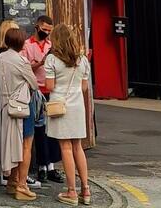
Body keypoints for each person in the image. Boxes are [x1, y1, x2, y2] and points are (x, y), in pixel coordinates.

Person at [44, 24, 92, 206]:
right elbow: (84, 87)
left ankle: (71, 191)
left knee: (65, 148)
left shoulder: (52, 59)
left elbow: (49, 86)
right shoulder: (82, 60)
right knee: (78, 147)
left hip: (60, 106)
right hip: (77, 106)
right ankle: (85, 189)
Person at [0, 27, 39, 202]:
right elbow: (34, 84)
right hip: (22, 106)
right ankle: (22, 185)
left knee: (12, 144)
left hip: (5, 105)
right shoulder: (21, 61)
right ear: (21, 42)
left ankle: (12, 182)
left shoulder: (1, 57)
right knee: (26, 146)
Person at [23, 16, 61, 185]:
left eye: (49, 31)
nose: (46, 33)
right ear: (37, 27)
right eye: (44, 29)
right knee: (39, 130)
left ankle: (51, 166)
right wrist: (40, 63)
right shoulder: (26, 45)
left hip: (51, 91)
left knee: (52, 129)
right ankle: (42, 166)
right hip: (35, 91)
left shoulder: (51, 45)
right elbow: (23, 68)